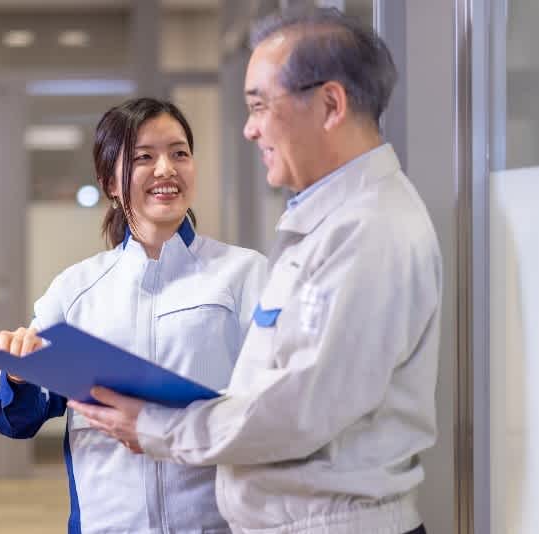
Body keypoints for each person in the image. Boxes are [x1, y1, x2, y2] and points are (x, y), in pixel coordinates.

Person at [68, 8, 440, 534]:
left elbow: (296, 411)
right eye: (143, 157)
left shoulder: (368, 234)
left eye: (261, 105)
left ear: (330, 104)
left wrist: (153, 426)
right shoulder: (326, 226)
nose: (249, 129)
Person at [0, 97, 268, 534]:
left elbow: (276, 402)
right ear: (109, 182)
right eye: (143, 157)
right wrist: (18, 374)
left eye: (179, 153)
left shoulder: (244, 274)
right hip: (107, 524)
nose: (165, 170)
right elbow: (15, 419)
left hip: (216, 523)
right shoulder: (77, 290)